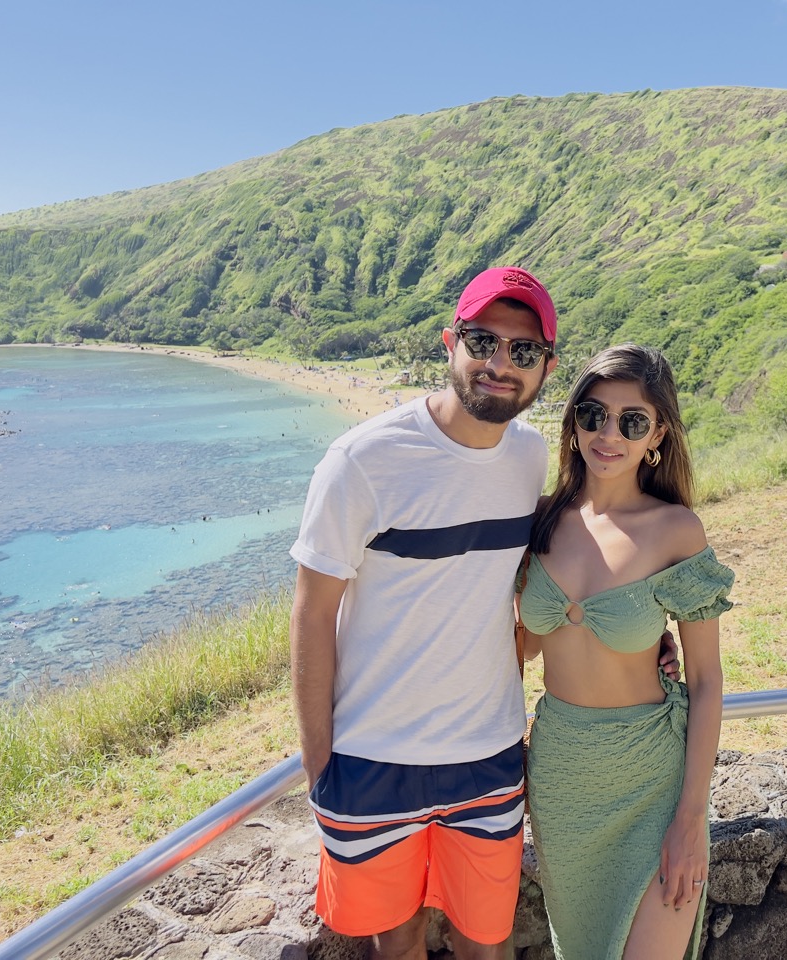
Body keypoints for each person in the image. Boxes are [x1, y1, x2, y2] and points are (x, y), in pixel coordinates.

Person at [288, 266, 560, 958]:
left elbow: (541, 581)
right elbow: (312, 614)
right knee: (398, 939)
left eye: (523, 351)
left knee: (484, 941)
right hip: (371, 757)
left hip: (488, 756)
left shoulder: (530, 459)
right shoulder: (361, 460)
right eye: (482, 341)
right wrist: (320, 761)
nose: (500, 363)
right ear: (449, 342)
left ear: (546, 368)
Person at [518, 344, 733, 960]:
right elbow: (521, 645)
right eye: (594, 415)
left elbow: (709, 681)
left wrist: (692, 817)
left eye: (632, 421)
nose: (609, 434)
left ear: (656, 434)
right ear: (574, 420)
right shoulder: (537, 524)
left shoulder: (674, 530)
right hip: (563, 777)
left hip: (652, 778)